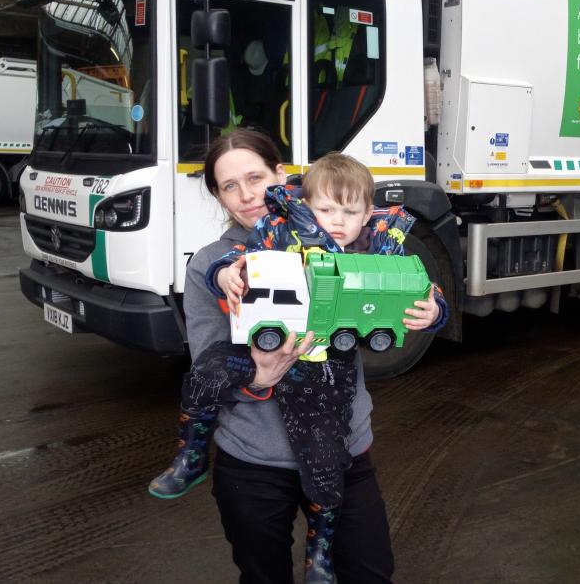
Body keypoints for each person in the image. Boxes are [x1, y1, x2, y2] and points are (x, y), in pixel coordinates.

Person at [150, 129, 418, 582]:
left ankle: (320, 558)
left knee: (370, 572)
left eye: (255, 177)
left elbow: (399, 271)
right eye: (229, 186)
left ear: (281, 175)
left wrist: (430, 308)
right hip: (254, 461)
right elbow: (207, 362)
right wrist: (257, 376)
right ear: (217, 196)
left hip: (342, 446)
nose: (246, 193)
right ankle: (191, 456)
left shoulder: (336, 237)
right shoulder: (214, 263)